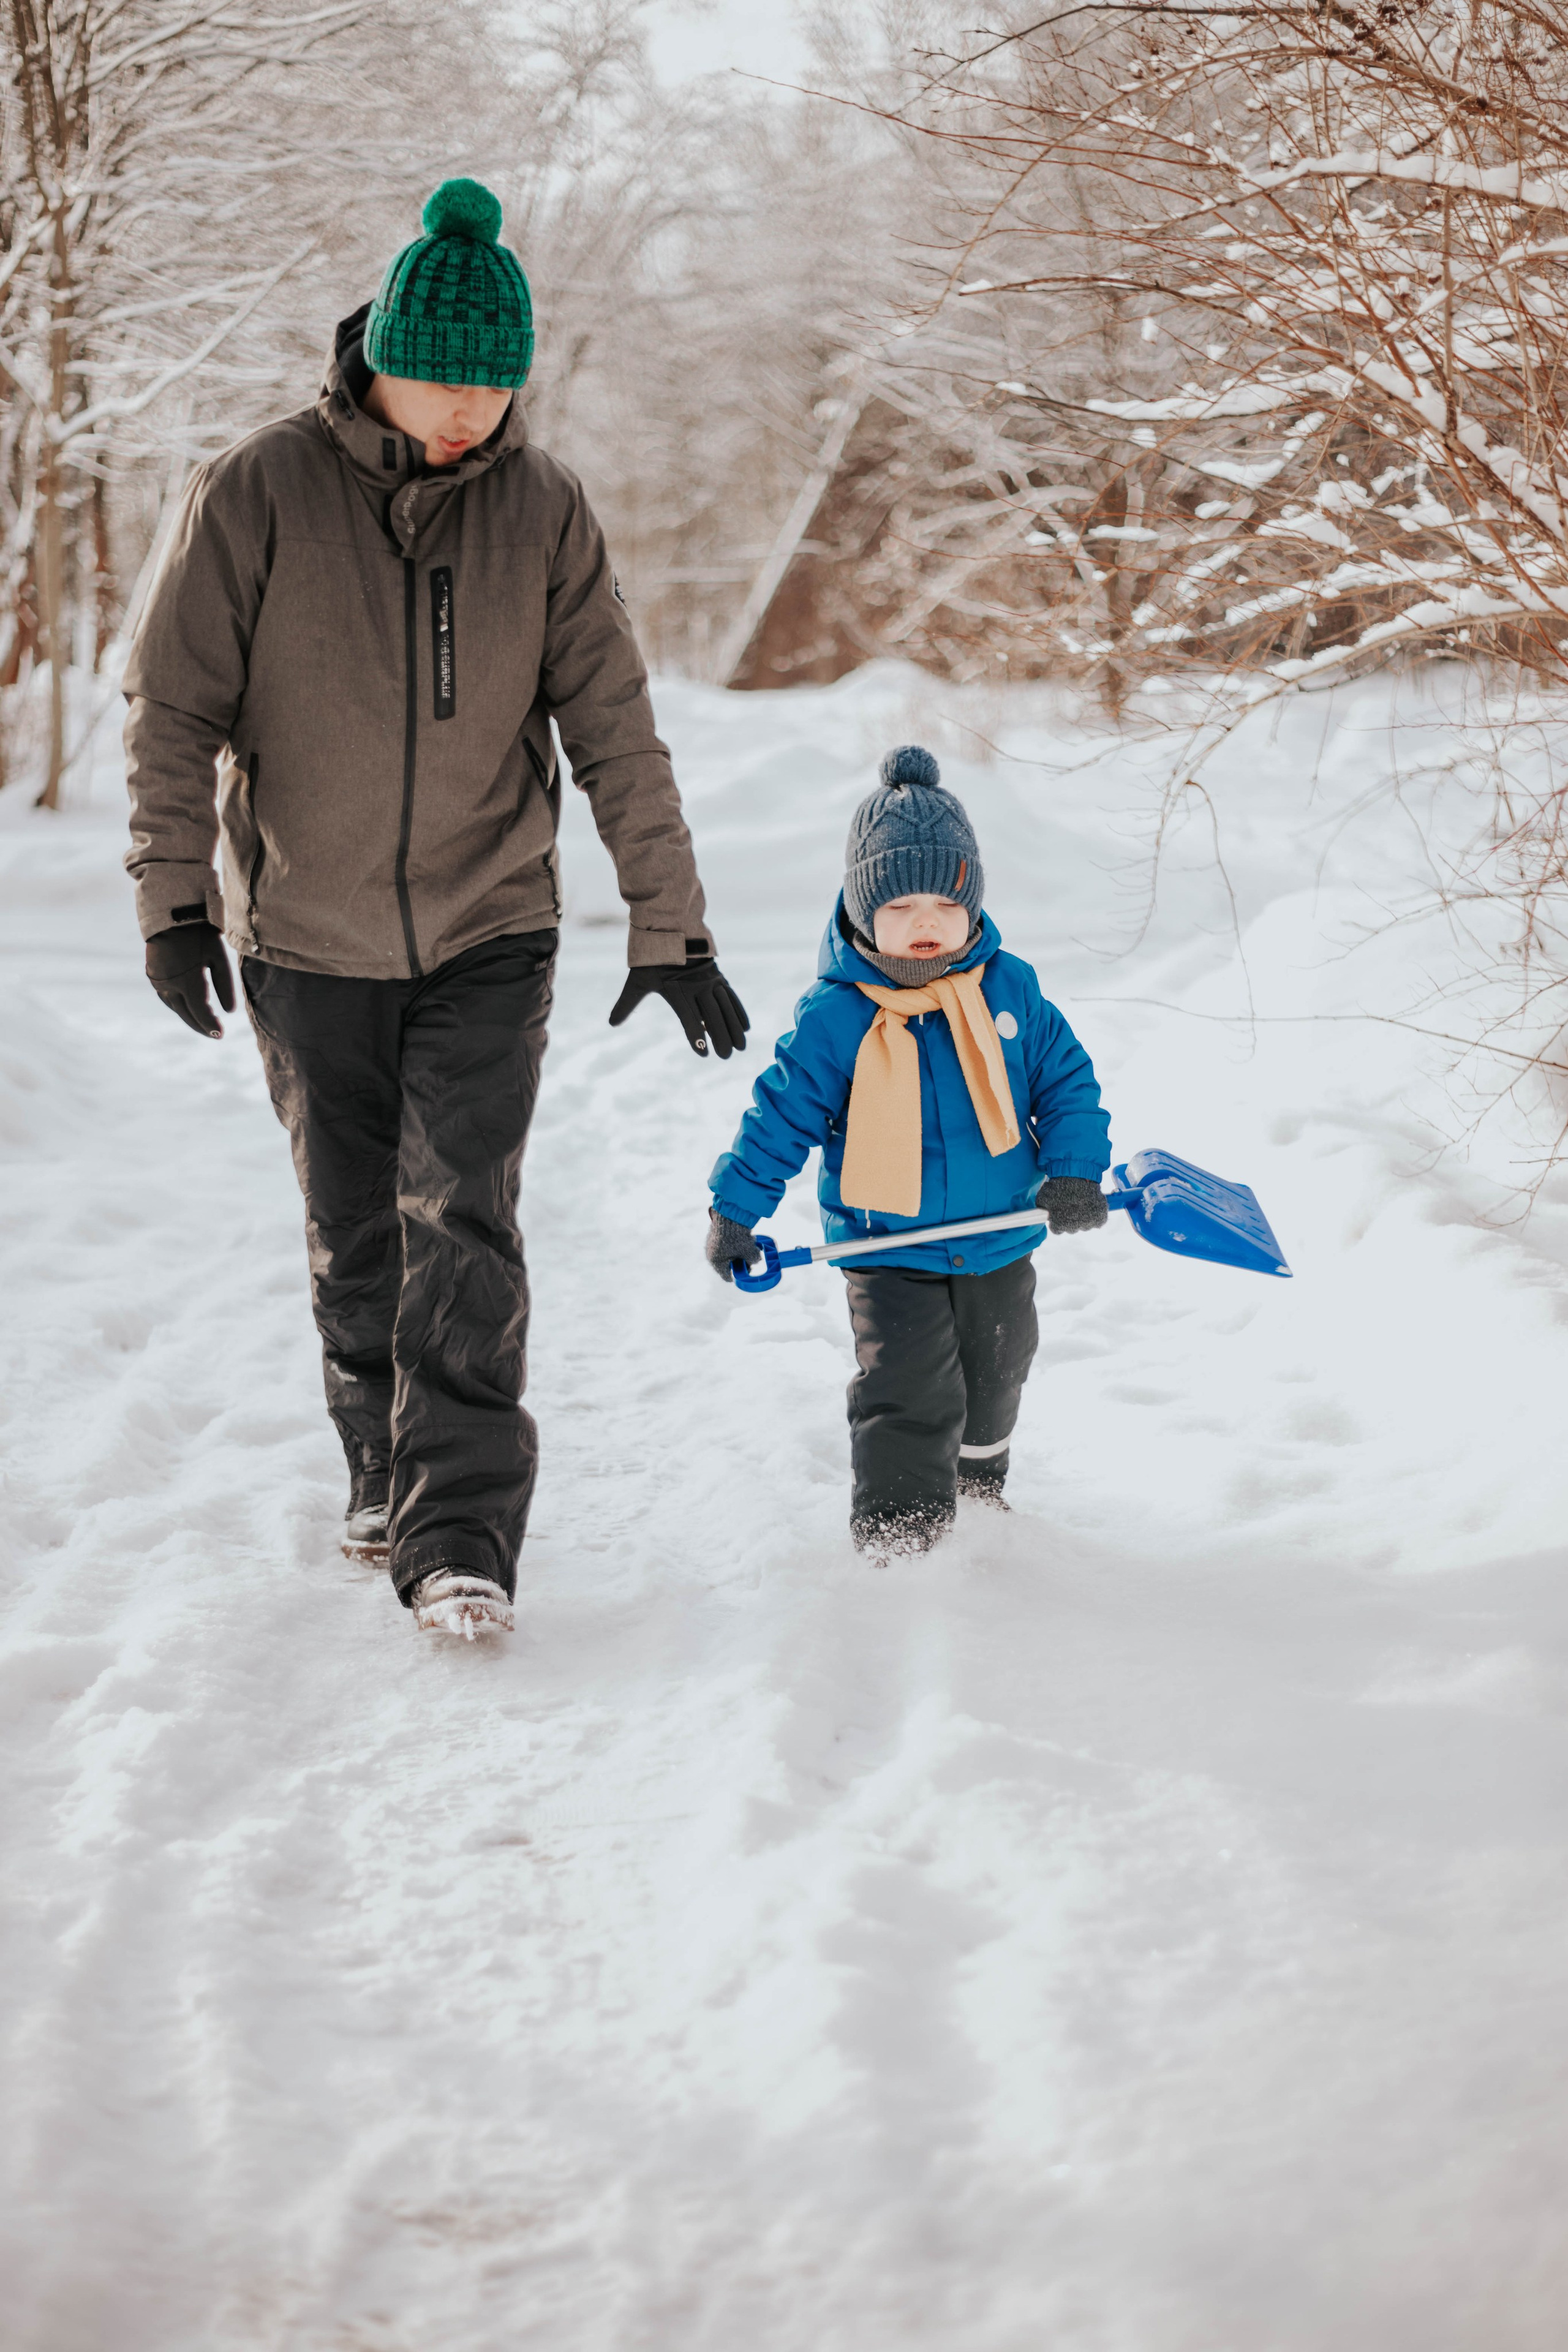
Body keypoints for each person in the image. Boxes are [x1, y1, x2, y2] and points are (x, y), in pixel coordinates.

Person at [124, 178, 747, 1640]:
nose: (466, 409)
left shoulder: (540, 510)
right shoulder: (256, 489)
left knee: (462, 1218)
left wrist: (670, 921)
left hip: (488, 930)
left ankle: (457, 1531)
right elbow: (171, 712)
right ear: (377, 354)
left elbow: (613, 722)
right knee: (356, 1229)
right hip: (305, 934)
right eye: (441, 377)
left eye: (492, 383)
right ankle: (376, 1457)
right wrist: (172, 899)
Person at [705, 746, 1109, 1553]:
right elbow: (779, 1118)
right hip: (889, 1245)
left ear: (971, 903)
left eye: (942, 902)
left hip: (1000, 1233)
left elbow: (1066, 1081)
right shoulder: (837, 1016)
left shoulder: (1010, 989)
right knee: (906, 1389)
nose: (924, 924)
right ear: (861, 913)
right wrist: (736, 1210)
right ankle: (901, 1538)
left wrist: (1074, 1171)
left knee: (998, 1369)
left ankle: (978, 1492)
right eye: (898, 906)